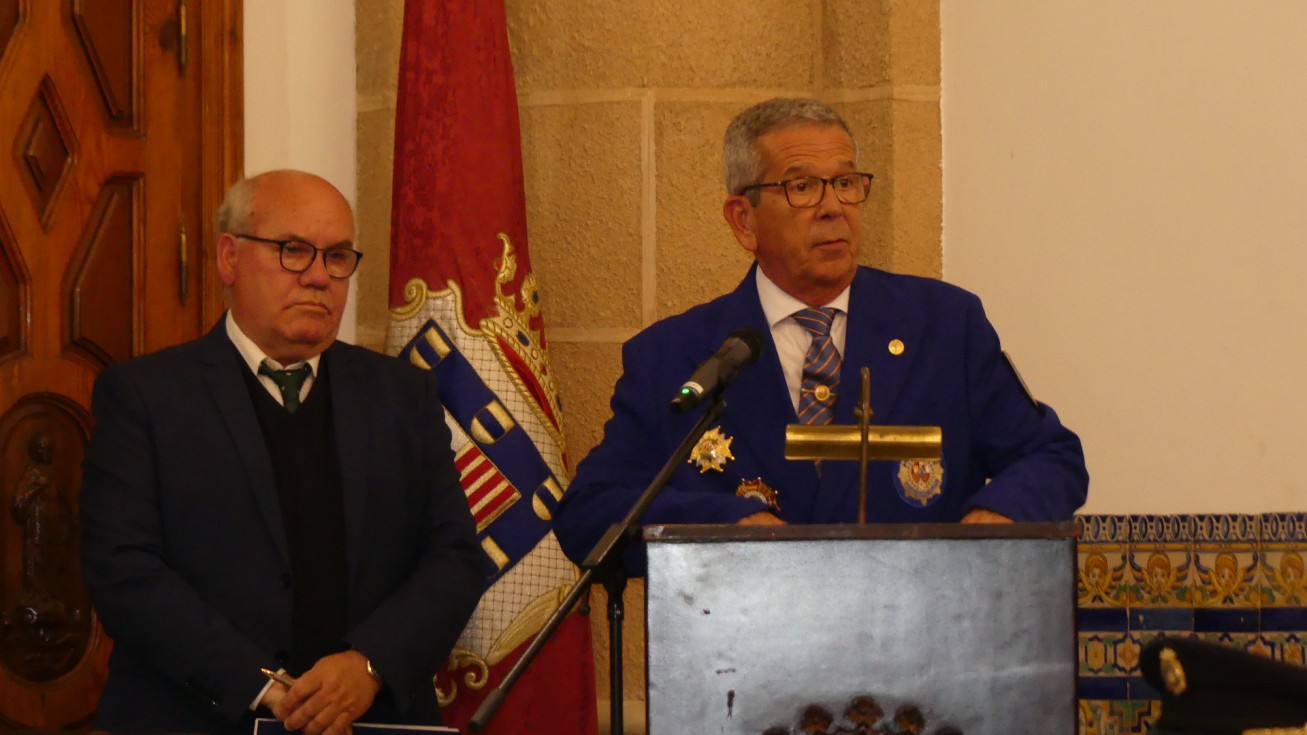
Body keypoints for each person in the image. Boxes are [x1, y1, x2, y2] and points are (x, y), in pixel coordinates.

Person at [552, 98, 1088, 570]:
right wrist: (725, 526)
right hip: (749, 645)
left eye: (846, 183)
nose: (833, 208)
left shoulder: (944, 325)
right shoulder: (676, 356)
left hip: (920, 632)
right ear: (743, 220)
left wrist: (994, 520)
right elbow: (590, 511)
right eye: (802, 187)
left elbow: (1052, 458)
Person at [79, 170, 488, 734]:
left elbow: (455, 557)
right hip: (192, 717)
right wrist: (262, 685)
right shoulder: (145, 396)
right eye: (293, 250)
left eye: (337, 256)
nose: (319, 277)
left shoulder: (402, 394)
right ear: (229, 258)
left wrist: (369, 664)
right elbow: (123, 569)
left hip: (367, 718)